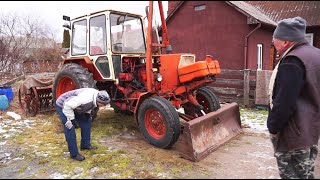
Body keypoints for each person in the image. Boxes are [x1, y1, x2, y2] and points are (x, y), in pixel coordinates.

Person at [267, 16, 320, 179]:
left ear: (286, 42)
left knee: (293, 175)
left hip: (293, 134)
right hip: (310, 129)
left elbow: (284, 102)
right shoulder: (315, 54)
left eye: (275, 38)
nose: (272, 42)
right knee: (305, 174)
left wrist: (273, 127)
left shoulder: (292, 61)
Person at [55, 88, 110, 161]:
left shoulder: (96, 97)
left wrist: (88, 114)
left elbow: (89, 106)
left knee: (87, 121)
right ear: (98, 100)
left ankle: (85, 145)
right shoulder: (85, 99)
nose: (104, 105)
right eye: (103, 104)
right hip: (63, 105)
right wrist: (72, 119)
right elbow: (67, 105)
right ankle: (74, 154)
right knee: (70, 127)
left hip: (74, 106)